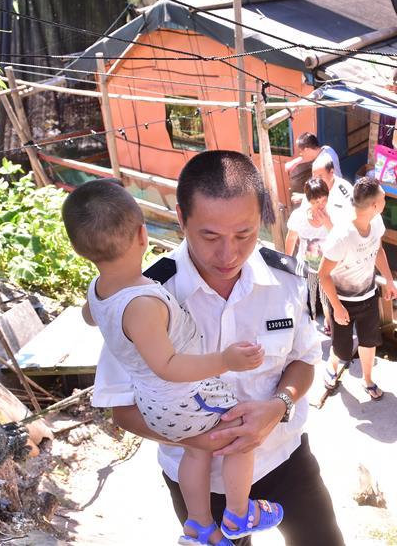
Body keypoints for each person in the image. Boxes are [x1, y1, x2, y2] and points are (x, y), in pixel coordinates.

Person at [91, 151, 345, 546]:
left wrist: (278, 406)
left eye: (244, 234)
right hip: (198, 481)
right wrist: (191, 440)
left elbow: (305, 361)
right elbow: (121, 408)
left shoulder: (292, 279)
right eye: (210, 236)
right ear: (181, 218)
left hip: (284, 458)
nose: (228, 255)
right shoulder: (143, 299)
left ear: (261, 215)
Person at [63, 180, 284, 545]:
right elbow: (167, 365)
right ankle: (239, 511)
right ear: (142, 235)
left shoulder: (99, 289)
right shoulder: (142, 304)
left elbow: (90, 316)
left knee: (196, 450)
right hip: (181, 396)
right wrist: (226, 360)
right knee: (242, 433)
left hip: (157, 404)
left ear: (78, 249)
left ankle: (199, 524)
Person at [318, 176, 397, 401]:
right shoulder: (341, 236)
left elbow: (378, 250)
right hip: (343, 301)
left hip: (369, 295)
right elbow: (323, 275)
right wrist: (337, 307)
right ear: (373, 205)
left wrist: (389, 280)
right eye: (383, 199)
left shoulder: (376, 221)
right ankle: (332, 367)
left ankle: (367, 379)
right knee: (342, 350)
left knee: (369, 341)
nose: (385, 202)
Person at [284, 177, 333, 335]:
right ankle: (310, 322)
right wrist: (287, 262)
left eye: (323, 200)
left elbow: (340, 238)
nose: (321, 205)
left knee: (326, 295)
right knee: (308, 293)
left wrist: (328, 223)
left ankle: (328, 320)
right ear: (309, 201)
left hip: (326, 266)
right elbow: (291, 238)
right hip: (305, 265)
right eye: (316, 202)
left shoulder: (333, 214)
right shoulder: (299, 216)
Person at [285, 133, 341, 204]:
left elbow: (327, 190)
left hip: (333, 199)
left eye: (300, 152)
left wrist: (304, 197)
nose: (300, 154)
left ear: (307, 150)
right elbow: (310, 156)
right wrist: (296, 162)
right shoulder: (327, 149)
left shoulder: (320, 165)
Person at [311, 153, 354, 225]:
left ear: (331, 172)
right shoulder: (313, 185)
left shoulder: (345, 191)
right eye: (314, 176)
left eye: (320, 176)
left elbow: (352, 217)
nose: (316, 180)